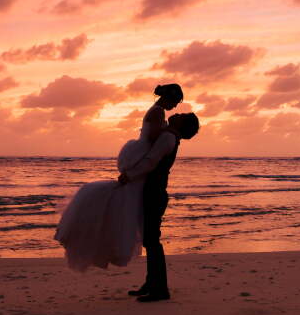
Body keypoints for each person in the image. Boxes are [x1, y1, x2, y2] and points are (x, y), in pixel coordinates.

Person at [53, 84, 184, 272]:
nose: (176, 106)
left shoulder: (157, 111)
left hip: (142, 152)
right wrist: (172, 130)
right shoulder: (158, 112)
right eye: (176, 101)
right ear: (169, 98)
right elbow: (154, 137)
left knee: (128, 201)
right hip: (143, 153)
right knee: (128, 201)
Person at [119, 112, 200, 302]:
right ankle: (152, 283)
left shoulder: (168, 137)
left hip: (154, 194)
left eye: (181, 115)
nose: (177, 113)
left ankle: (160, 288)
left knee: (152, 241)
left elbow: (150, 161)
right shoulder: (169, 136)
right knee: (150, 240)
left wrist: (129, 175)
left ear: (181, 123)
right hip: (156, 192)